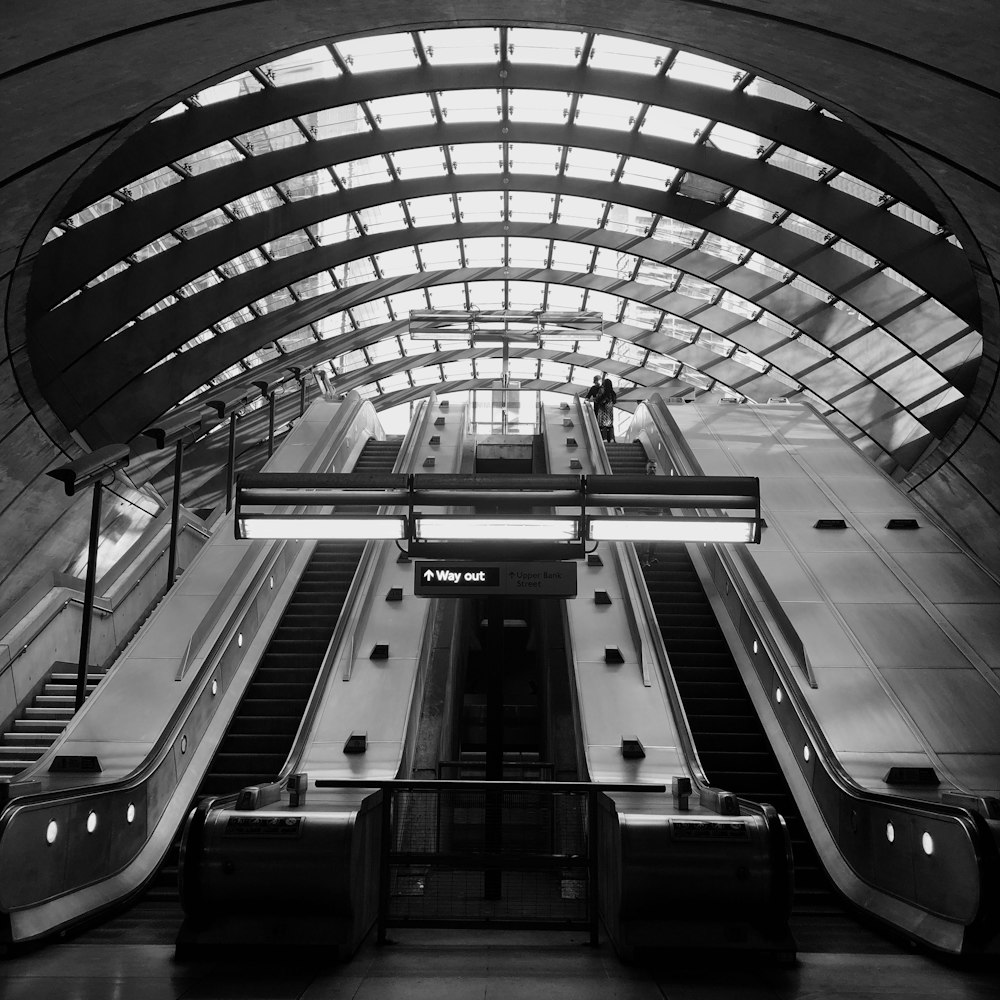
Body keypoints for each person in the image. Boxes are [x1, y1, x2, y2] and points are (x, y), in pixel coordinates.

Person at [596, 378, 616, 443]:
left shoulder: (602, 390)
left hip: (603, 409)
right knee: (610, 425)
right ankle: (612, 439)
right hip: (610, 409)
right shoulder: (612, 392)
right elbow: (614, 401)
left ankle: (605, 439)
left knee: (603, 425)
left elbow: (598, 399)